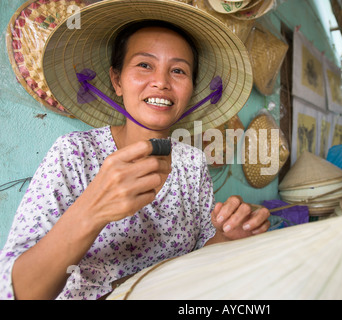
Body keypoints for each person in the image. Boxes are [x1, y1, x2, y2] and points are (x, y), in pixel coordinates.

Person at [0, 0, 269, 300]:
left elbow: (199, 259)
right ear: (117, 80)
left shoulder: (192, 163)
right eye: (144, 65)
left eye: (178, 71)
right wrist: (92, 209)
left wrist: (227, 236)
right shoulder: (74, 154)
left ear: (192, 88)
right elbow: (15, 291)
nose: (161, 82)